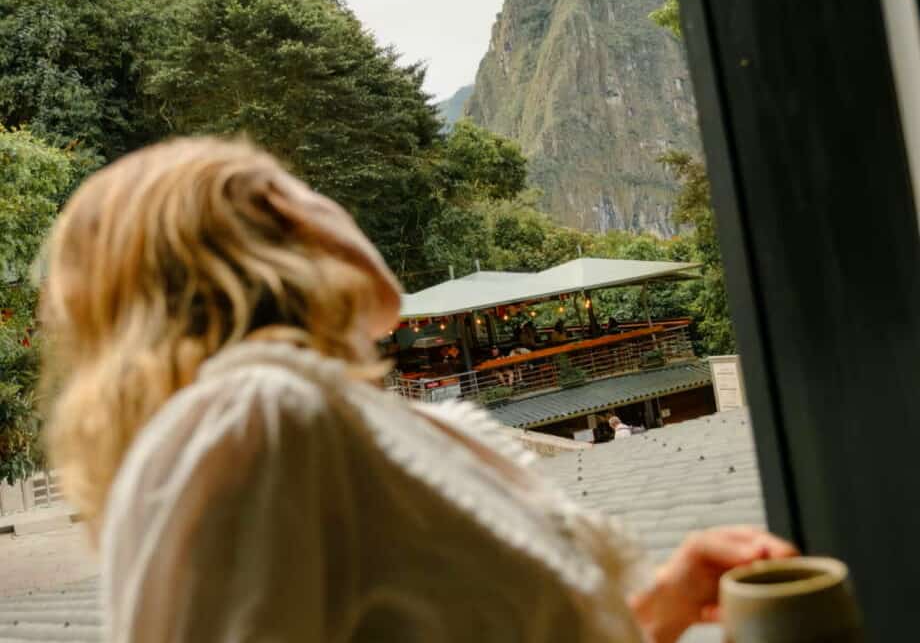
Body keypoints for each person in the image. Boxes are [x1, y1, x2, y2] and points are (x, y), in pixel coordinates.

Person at [41, 137, 796, 643]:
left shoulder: (335, 426)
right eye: (304, 187)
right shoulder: (255, 419)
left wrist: (662, 602)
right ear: (279, 216)